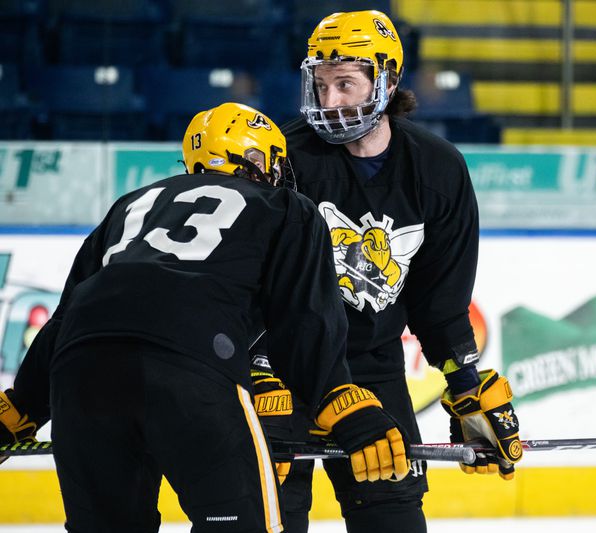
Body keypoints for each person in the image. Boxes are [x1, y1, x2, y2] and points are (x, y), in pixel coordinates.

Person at [0, 102, 410, 532]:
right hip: (189, 369)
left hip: (79, 373)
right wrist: (341, 402)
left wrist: (22, 407)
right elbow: (304, 320)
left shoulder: (130, 205)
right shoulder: (287, 206)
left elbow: (66, 321)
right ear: (255, 158)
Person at [264, 10, 524, 533]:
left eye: (345, 84)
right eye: (321, 85)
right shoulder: (283, 159)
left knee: (393, 518)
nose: (329, 101)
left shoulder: (438, 168)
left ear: (386, 81)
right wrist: (256, 373)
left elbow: (439, 300)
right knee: (271, 518)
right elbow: (245, 283)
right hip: (282, 374)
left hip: (371, 370)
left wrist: (464, 383)